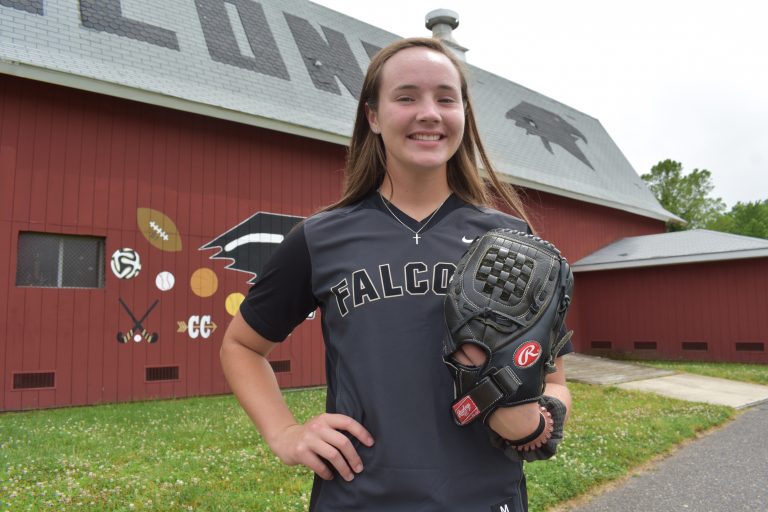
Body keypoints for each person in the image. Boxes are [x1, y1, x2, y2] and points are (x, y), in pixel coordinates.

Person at [220, 37, 572, 512]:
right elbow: (242, 346)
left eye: (446, 98)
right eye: (406, 97)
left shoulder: (512, 243)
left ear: (463, 115)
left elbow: (554, 381)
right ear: (373, 116)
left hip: (486, 500)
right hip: (360, 499)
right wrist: (285, 432)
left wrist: (539, 424)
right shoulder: (320, 238)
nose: (429, 112)